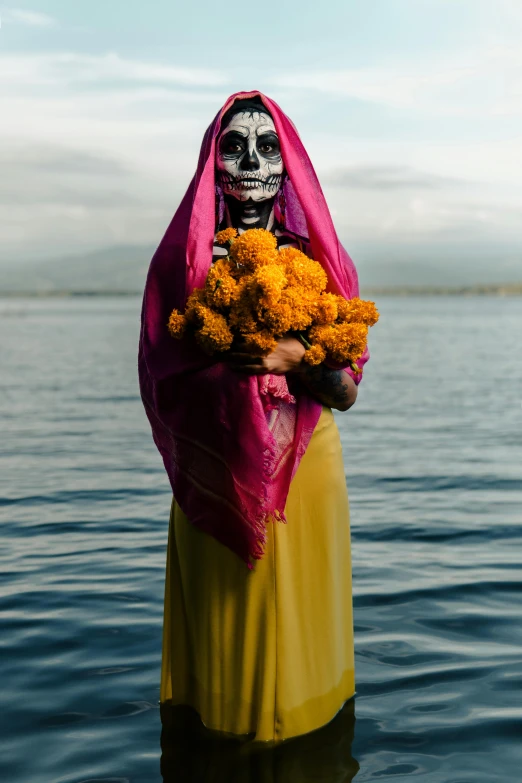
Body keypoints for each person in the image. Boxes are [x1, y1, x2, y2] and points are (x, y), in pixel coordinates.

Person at [138, 91, 370, 745]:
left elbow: (346, 390)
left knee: (301, 618)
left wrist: (290, 353)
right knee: (224, 634)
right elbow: (162, 377)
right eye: (233, 146)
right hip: (215, 471)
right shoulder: (180, 266)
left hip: (306, 469)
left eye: (267, 147)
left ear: (287, 164)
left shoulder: (316, 265)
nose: (250, 160)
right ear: (212, 163)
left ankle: (310, 735)